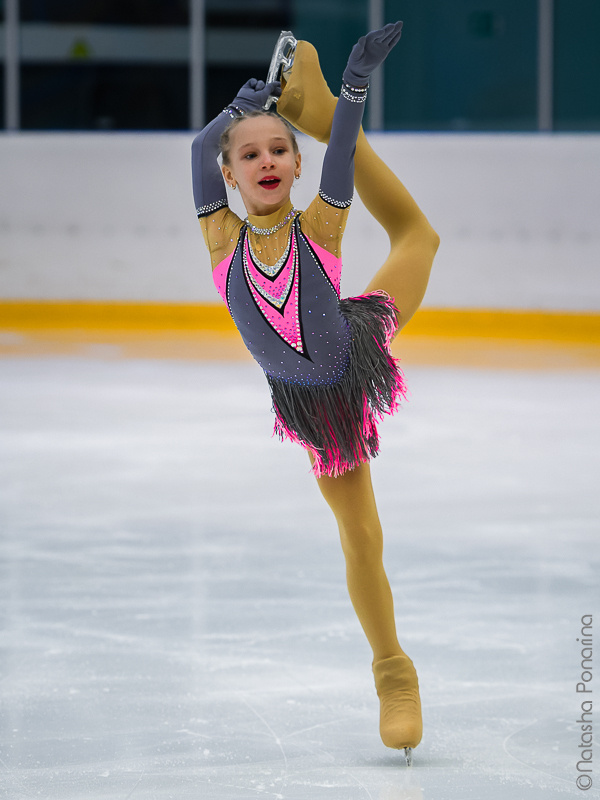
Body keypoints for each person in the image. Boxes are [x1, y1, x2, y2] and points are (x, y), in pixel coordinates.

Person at [191, 22, 439, 765]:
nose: (265, 159)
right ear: (230, 174)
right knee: (361, 539)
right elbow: (193, 154)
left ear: (296, 165)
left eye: (278, 149)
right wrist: (224, 120)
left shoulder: (321, 226)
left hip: (354, 352)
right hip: (315, 410)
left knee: (417, 241)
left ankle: (322, 108)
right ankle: (392, 667)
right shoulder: (221, 241)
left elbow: (339, 169)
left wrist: (354, 94)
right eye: (249, 153)